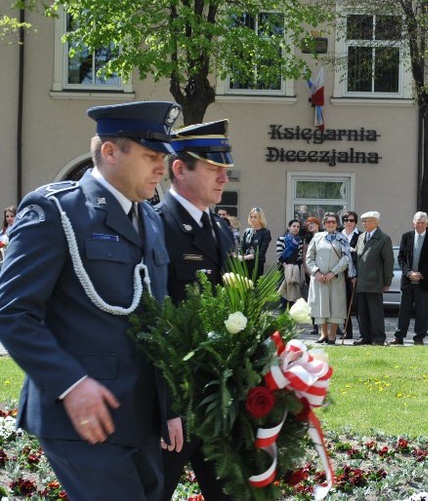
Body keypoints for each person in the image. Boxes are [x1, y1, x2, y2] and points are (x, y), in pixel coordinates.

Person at [0, 101, 183, 499]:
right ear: (110, 152)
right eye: (151, 156)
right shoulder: (55, 212)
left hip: (140, 414)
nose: (161, 168)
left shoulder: (149, 218)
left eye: (163, 158)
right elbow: (12, 312)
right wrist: (70, 384)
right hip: (82, 418)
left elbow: (155, 318)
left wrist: (169, 406)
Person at [156, 119, 235, 501]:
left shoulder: (221, 230)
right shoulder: (156, 227)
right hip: (176, 401)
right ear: (179, 168)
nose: (223, 178)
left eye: (225, 169)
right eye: (213, 168)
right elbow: (153, 324)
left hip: (219, 398)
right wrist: (167, 406)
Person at [388, 212, 428, 345]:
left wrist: (421, 274)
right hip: (408, 281)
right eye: (418, 223)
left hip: (425, 282)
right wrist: (408, 272)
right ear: (413, 223)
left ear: (427, 224)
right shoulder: (406, 237)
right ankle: (399, 336)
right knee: (404, 310)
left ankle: (419, 338)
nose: (420, 225)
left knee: (423, 312)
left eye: (422, 223)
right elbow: (401, 258)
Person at [306, 212, 353, 344]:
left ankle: (332, 335)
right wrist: (316, 273)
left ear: (337, 224)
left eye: (333, 222)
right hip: (319, 279)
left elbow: (346, 258)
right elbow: (309, 258)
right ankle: (323, 334)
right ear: (324, 224)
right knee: (321, 305)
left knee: (335, 305)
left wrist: (333, 272)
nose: (331, 224)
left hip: (335, 278)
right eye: (328, 222)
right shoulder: (317, 238)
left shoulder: (342, 238)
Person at [353, 211, 394, 346]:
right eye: (363, 221)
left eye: (367, 221)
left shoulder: (383, 238)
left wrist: (387, 282)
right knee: (362, 312)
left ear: (375, 222)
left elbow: (388, 262)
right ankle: (365, 336)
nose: (363, 223)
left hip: (375, 281)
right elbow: (358, 258)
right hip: (362, 281)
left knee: (375, 312)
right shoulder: (361, 237)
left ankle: (378, 338)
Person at [341, 211, 361, 339]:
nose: (349, 222)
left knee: (357, 305)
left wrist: (356, 275)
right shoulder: (338, 235)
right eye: (346, 220)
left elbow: (361, 257)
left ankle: (363, 332)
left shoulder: (360, 236)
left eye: (351, 220)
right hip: (340, 274)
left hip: (354, 275)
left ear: (355, 222)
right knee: (343, 303)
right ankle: (347, 331)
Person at [276, 219, 304, 308]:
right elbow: (279, 254)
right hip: (283, 268)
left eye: (298, 227)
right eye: (294, 226)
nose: (296, 228)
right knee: (283, 292)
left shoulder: (300, 241)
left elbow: (300, 256)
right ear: (289, 227)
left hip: (295, 269)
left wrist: (295, 267)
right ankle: (282, 313)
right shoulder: (282, 239)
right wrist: (286, 267)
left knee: (294, 293)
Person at [303, 216, 322, 336]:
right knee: (313, 299)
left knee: (324, 298)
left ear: (318, 225)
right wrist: (308, 271)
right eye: (308, 224)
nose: (310, 226)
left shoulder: (323, 236)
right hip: (311, 272)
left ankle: (329, 326)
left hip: (322, 271)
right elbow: (305, 255)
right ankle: (315, 325)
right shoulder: (307, 238)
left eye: (312, 224)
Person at [240, 207, 271, 278]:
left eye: (255, 217)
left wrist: (249, 256)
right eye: (251, 217)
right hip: (245, 263)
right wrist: (239, 256)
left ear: (260, 218)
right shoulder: (247, 231)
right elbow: (241, 247)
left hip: (257, 264)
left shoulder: (265, 232)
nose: (252, 219)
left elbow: (262, 252)